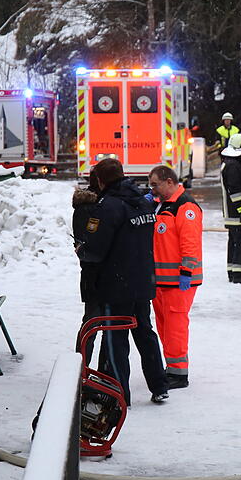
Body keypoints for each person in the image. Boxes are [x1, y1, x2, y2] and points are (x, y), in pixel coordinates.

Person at [72, 157, 169, 405]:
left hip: (116, 285)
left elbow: (95, 249)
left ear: (101, 181)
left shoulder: (109, 206)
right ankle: (159, 384)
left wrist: (81, 249)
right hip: (143, 281)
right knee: (145, 333)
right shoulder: (143, 202)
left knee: (116, 338)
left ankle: (117, 394)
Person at [149, 164, 203, 389]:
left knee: (175, 327)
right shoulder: (163, 205)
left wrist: (186, 272)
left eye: (155, 184)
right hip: (162, 280)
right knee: (164, 327)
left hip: (179, 280)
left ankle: (179, 374)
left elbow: (189, 242)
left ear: (169, 182)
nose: (152, 189)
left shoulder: (185, 206)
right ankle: (172, 367)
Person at [220, 133, 241, 285]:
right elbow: (234, 190)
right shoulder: (234, 167)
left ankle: (232, 271)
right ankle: (239, 274)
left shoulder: (229, 163)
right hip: (237, 214)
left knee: (234, 241)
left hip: (232, 213)